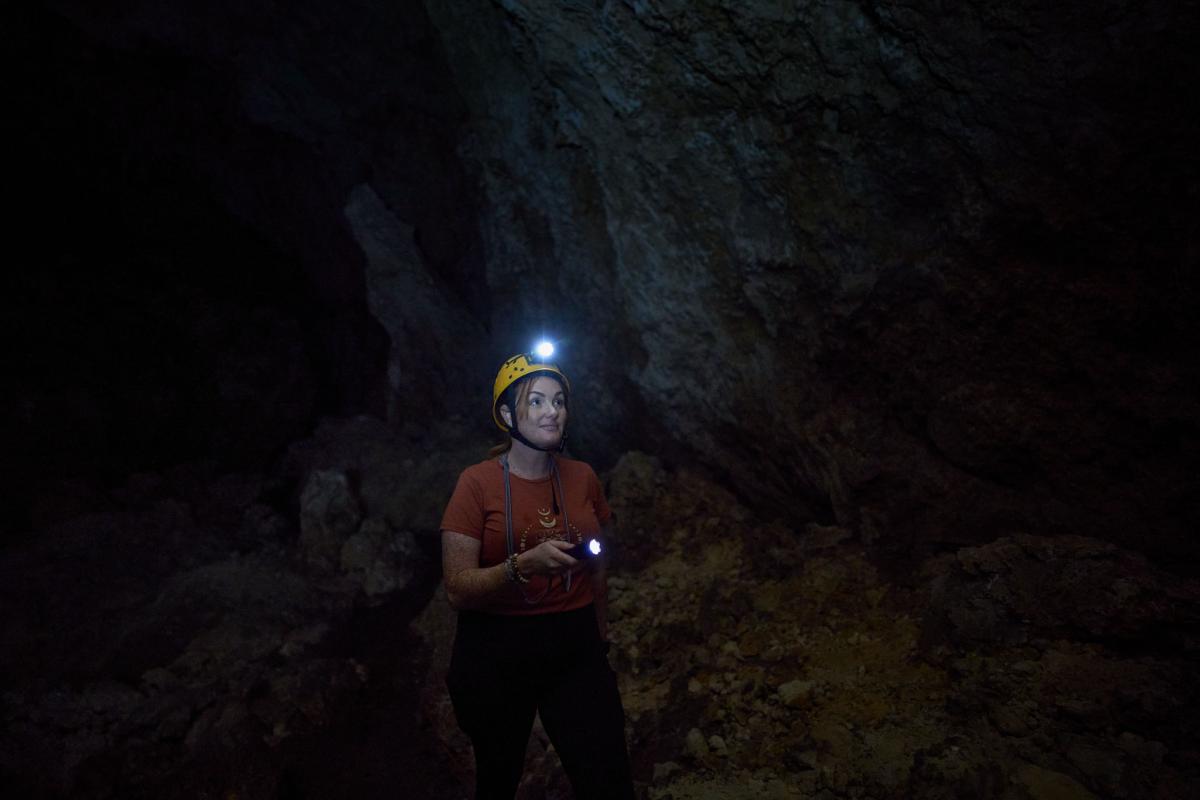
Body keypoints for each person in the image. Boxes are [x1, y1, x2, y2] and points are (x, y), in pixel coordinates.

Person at [440, 349, 636, 800]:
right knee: (498, 778)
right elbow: (457, 589)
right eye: (537, 401)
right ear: (508, 415)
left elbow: (598, 563)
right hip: (496, 649)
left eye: (559, 401)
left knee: (607, 778)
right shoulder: (476, 483)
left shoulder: (583, 477)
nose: (553, 411)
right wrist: (522, 566)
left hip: (573, 645)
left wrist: (599, 635)